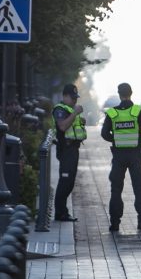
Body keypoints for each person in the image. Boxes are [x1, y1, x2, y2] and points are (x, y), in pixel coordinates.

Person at [101, 82, 141, 232]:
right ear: (131, 93)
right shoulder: (138, 111)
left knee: (116, 190)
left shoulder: (112, 113)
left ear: (119, 95)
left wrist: (116, 140)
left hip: (118, 156)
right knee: (139, 188)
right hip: (135, 156)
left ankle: (115, 224)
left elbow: (105, 134)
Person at [52, 83, 87, 223]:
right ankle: (60, 213)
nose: (74, 100)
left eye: (76, 98)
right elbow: (62, 126)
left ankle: (63, 212)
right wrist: (75, 114)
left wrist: (80, 121)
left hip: (73, 149)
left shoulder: (70, 109)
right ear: (65, 96)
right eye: (72, 97)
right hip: (65, 149)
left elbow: (72, 126)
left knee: (70, 182)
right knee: (65, 181)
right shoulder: (60, 109)